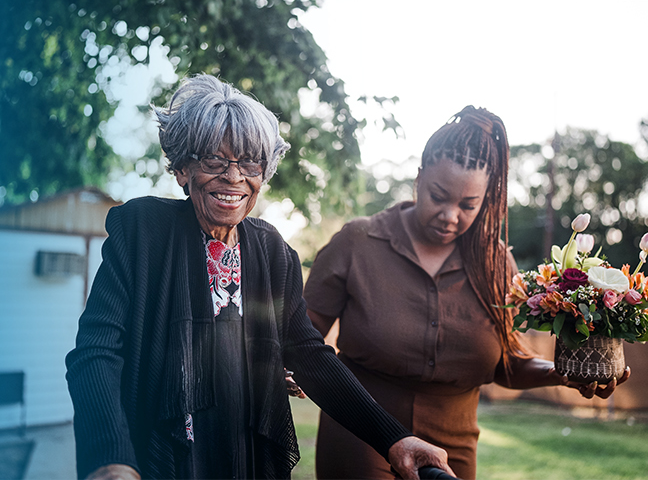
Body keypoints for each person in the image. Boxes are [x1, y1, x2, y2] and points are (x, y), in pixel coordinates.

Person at [65, 74, 452, 480]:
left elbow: (308, 354)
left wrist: (394, 439)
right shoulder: (142, 231)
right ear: (182, 169)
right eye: (214, 160)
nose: (234, 177)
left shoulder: (272, 251)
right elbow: (96, 352)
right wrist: (111, 462)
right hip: (164, 455)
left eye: (250, 163)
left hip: (244, 456)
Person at [304, 106, 631, 480]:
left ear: (486, 198)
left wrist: (566, 373)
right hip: (362, 433)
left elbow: (506, 366)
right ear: (419, 177)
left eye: (467, 205)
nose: (450, 215)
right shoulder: (357, 242)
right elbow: (302, 336)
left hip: (454, 446)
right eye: (439, 196)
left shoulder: (496, 264)